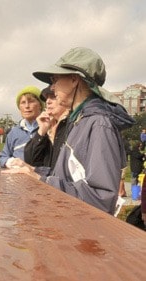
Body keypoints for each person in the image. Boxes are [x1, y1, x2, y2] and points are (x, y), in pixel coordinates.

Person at [20, 46, 135, 214]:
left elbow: (102, 198)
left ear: (75, 80)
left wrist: (42, 180)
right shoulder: (79, 121)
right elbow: (67, 177)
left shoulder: (98, 124)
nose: (52, 88)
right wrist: (34, 171)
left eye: (55, 79)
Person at [24, 86, 69, 170]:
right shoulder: (47, 128)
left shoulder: (73, 126)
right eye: (46, 98)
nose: (48, 101)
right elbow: (30, 161)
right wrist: (41, 131)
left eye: (53, 97)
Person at [0, 86, 44, 168]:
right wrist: (10, 162)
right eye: (23, 102)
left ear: (40, 105)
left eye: (31, 101)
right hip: (18, 178)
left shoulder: (49, 129)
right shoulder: (13, 132)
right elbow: (3, 157)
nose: (27, 106)